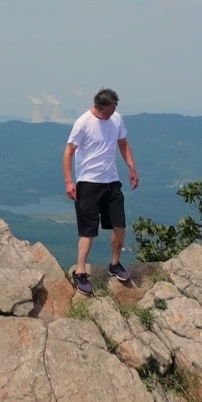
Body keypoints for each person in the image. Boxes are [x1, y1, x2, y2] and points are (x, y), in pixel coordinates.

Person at [63, 89, 140, 295]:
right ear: (98, 107)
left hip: (111, 181)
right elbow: (69, 151)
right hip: (88, 183)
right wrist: (69, 181)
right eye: (108, 111)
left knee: (119, 225)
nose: (111, 114)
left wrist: (132, 169)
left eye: (114, 109)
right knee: (88, 230)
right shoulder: (83, 123)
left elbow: (123, 144)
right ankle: (80, 272)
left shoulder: (116, 118)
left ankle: (115, 264)